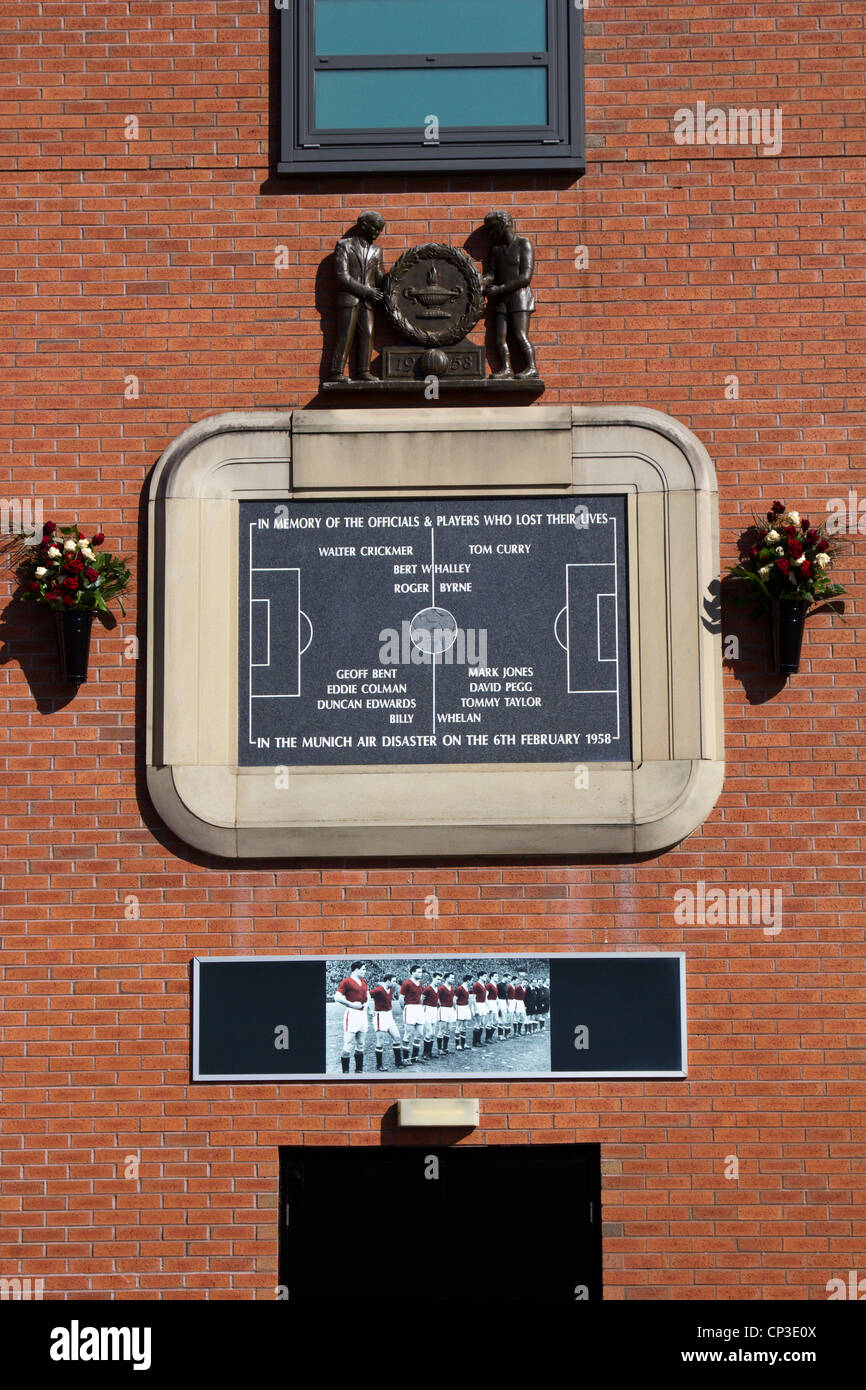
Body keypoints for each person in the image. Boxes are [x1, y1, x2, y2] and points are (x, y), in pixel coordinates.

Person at [327, 210, 387, 382]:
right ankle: (336, 372)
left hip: (368, 301)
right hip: (350, 298)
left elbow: (379, 275)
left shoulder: (377, 250)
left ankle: (363, 370)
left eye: (379, 230)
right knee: (345, 334)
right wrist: (366, 291)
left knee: (368, 333)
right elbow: (342, 276)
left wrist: (393, 279)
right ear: (363, 226)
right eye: (375, 229)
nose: (377, 233)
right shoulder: (344, 245)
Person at [482, 209, 537, 380]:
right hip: (502, 300)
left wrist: (499, 289)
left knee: (520, 335)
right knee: (500, 338)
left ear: (503, 224)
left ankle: (532, 368)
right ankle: (507, 369)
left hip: (520, 298)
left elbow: (525, 278)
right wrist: (482, 282)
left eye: (492, 228)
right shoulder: (496, 249)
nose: (491, 233)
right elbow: (491, 274)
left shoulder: (523, 244)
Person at [335, 961, 369, 1072]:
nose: (365, 971)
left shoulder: (363, 981)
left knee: (361, 1043)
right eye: (363, 969)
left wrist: (367, 1007)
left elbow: (367, 996)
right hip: (352, 1014)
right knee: (348, 1043)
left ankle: (359, 1070)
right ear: (356, 969)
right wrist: (352, 1005)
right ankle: (346, 1071)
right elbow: (337, 997)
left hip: (362, 1015)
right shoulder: (347, 982)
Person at [370, 972, 403, 1070]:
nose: (394, 983)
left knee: (397, 1038)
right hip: (380, 1016)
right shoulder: (379, 990)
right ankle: (379, 1065)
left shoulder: (391, 989)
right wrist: (369, 1010)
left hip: (389, 1016)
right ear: (387, 981)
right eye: (393, 981)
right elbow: (366, 996)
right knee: (380, 1041)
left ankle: (398, 1062)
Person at [400, 964, 426, 1064]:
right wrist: (406, 1009)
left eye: (421, 972)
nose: (421, 974)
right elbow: (401, 999)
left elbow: (419, 997)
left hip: (419, 1008)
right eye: (418, 972)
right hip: (410, 1008)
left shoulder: (420, 983)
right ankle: (405, 1059)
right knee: (408, 1034)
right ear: (412, 972)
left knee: (419, 1033)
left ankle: (414, 1057)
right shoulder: (406, 983)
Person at [421, 972, 443, 1060]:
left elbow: (436, 999)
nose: (439, 981)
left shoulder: (437, 988)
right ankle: (425, 1053)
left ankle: (429, 1052)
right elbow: (421, 999)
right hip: (427, 1010)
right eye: (438, 979)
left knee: (433, 1033)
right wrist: (421, 1010)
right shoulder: (428, 988)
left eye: (440, 980)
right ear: (433, 978)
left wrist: (438, 1004)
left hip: (434, 1010)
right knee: (429, 1033)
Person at [437, 972, 457, 1054]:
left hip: (450, 1009)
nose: (453, 979)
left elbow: (452, 998)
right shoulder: (441, 988)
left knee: (449, 1029)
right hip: (443, 1009)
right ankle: (439, 1049)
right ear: (446, 978)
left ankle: (445, 1048)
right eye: (451, 978)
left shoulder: (451, 987)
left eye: (453, 978)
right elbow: (437, 998)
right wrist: (440, 1006)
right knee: (442, 1029)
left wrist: (454, 1008)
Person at [454, 975, 473, 1050]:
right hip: (460, 1007)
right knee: (458, 1026)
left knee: (464, 1026)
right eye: (471, 980)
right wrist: (456, 1009)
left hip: (466, 1007)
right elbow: (454, 999)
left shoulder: (467, 988)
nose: (472, 982)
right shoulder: (460, 988)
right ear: (467, 980)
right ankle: (457, 1045)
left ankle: (463, 1044)